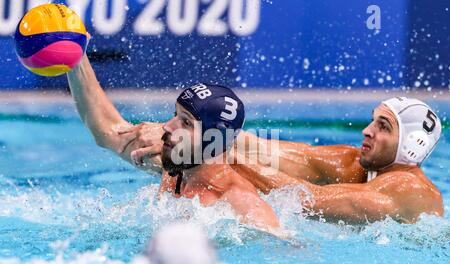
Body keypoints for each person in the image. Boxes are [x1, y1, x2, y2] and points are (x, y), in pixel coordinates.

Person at [126, 97, 444, 224]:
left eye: (382, 126)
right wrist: (199, 133)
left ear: (412, 145)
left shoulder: (409, 189)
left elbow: (310, 200)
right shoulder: (355, 165)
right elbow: (271, 151)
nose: (367, 130)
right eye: (372, 120)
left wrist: (211, 152)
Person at [67, 55, 280, 231]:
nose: (168, 126)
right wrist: (76, 58)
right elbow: (108, 132)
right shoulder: (175, 168)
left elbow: (285, 252)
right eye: (175, 115)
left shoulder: (241, 203)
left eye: (186, 122)